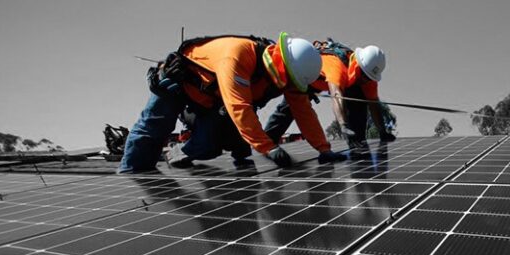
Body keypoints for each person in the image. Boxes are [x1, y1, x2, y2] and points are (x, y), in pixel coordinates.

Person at [118, 32, 344, 174]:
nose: (291, 87)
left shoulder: (289, 78)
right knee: (152, 130)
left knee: (214, 144)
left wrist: (324, 149)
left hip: (213, 102)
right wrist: (269, 148)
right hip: (179, 84)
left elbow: (304, 112)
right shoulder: (238, 55)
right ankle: (131, 174)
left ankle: (180, 154)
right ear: (283, 66)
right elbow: (239, 107)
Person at [263, 40, 395, 154]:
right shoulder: (336, 66)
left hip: (341, 83)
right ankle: (267, 143)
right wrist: (343, 126)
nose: (365, 80)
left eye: (368, 78)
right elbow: (336, 96)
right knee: (289, 109)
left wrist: (382, 132)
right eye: (364, 75)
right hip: (308, 77)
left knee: (359, 100)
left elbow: (373, 103)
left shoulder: (369, 77)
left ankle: (358, 142)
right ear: (357, 64)